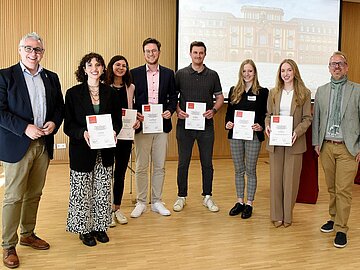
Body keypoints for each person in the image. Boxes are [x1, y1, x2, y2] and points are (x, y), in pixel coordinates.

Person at [0, 32, 64, 269]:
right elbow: (0, 111)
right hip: (18, 144)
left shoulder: (51, 77)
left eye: (37, 50)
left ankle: (27, 234)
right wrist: (24, 127)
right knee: (14, 196)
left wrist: (54, 123)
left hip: (43, 145)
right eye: (28, 48)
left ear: (42, 53)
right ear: (20, 50)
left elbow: (59, 106)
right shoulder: (5, 76)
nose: (32, 53)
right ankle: (8, 244)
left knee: (34, 194)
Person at [64, 52, 121, 247]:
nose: (94, 68)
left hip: (105, 150)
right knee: (82, 191)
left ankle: (99, 227)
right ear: (83, 69)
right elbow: (68, 126)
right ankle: (84, 229)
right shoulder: (72, 93)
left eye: (98, 65)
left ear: (103, 69)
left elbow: (118, 122)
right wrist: (83, 133)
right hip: (82, 150)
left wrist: (114, 131)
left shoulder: (111, 93)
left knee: (102, 190)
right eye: (90, 65)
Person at [312, 51, 360, 248]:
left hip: (348, 148)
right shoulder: (321, 91)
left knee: (343, 190)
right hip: (326, 148)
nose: (337, 67)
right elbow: (317, 119)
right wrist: (316, 143)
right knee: (331, 188)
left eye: (340, 64)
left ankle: (341, 228)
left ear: (347, 67)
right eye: (333, 64)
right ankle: (333, 218)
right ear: (329, 68)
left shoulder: (357, 90)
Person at [174, 41, 224, 212]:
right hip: (184, 126)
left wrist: (214, 110)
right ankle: (181, 196)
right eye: (195, 53)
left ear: (205, 54)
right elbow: (173, 98)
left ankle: (207, 196)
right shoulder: (180, 74)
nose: (198, 55)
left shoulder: (213, 75)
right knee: (183, 163)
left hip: (206, 127)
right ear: (190, 54)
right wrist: (178, 109)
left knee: (207, 163)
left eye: (201, 53)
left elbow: (220, 98)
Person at [130, 38, 177, 218]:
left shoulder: (168, 73)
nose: (151, 54)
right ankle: (141, 202)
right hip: (142, 126)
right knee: (142, 165)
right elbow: (130, 99)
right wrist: (135, 114)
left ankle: (157, 201)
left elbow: (173, 96)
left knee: (159, 165)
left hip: (161, 126)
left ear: (159, 52)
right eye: (148, 51)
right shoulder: (134, 74)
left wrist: (170, 110)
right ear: (144, 53)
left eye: (154, 51)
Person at [265, 59, 311, 228]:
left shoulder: (304, 93)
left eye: (289, 70)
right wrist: (267, 126)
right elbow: (268, 115)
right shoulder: (274, 92)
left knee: (290, 181)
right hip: (276, 142)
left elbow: (307, 119)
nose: (286, 73)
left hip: (294, 142)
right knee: (276, 179)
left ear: (295, 72)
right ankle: (276, 215)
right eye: (283, 70)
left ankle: (287, 215)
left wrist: (296, 133)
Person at [225, 59, 268, 219]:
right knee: (238, 170)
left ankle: (249, 203)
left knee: (250, 170)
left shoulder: (263, 92)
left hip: (253, 136)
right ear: (240, 73)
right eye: (244, 71)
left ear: (255, 73)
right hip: (236, 135)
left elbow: (265, 113)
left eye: (250, 71)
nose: (247, 74)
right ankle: (239, 201)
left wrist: (261, 125)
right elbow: (229, 112)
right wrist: (228, 123)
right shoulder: (233, 90)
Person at [105, 55, 140, 226]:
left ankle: (116, 207)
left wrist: (137, 120)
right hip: (107, 135)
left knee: (120, 174)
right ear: (111, 67)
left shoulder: (130, 87)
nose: (120, 68)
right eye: (117, 65)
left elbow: (133, 109)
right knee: (105, 173)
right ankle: (105, 210)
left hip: (125, 136)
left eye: (124, 65)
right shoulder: (103, 86)